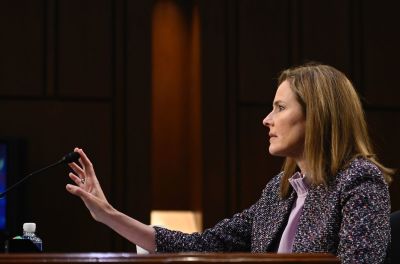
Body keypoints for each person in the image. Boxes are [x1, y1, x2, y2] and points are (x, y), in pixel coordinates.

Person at [66, 63, 393, 263]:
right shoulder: (279, 194)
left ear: (317, 115)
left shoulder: (359, 180)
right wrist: (107, 215)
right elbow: (200, 245)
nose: (267, 120)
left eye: (280, 108)